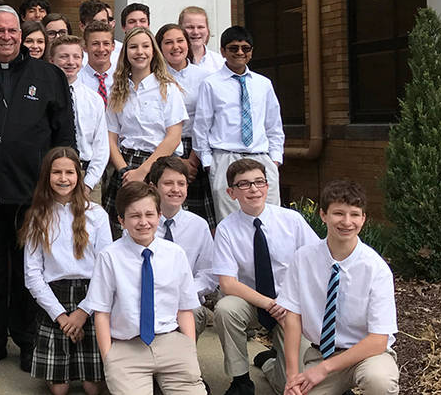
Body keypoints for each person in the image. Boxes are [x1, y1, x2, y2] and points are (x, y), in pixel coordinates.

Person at [0, 5, 76, 371]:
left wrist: (62, 183)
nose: (7, 37)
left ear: (22, 35)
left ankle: (27, 340)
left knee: (29, 272)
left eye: (13, 31)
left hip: (32, 193)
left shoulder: (49, 75)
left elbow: (64, 134)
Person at [86, 182, 206, 395]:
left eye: (149, 214)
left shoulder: (175, 254)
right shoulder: (109, 257)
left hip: (170, 341)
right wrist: (109, 358)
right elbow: (101, 313)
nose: (143, 222)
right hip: (126, 345)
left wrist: (189, 350)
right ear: (121, 220)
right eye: (134, 216)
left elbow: (185, 309)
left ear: (159, 216)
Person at [280, 180, 399, 395]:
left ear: (363, 219)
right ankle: (272, 367)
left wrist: (324, 370)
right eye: (338, 213)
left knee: (379, 381)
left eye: (354, 214)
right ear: (323, 215)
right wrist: (292, 376)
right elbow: (292, 318)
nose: (347, 222)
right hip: (321, 354)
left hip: (368, 356)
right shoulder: (303, 259)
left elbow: (379, 340)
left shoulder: (376, 269)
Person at [212, 159, 317, 395]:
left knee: (293, 385)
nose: (253, 189)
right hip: (253, 303)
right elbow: (227, 283)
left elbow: (316, 265)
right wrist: (269, 303)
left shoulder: (292, 221)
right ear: (231, 193)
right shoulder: (226, 229)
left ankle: (270, 363)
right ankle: (240, 381)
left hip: (290, 307)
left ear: (268, 186)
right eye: (244, 184)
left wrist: (291, 303)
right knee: (226, 308)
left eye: (259, 182)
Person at [20, 147, 112, 395]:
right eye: (56, 172)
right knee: (59, 390)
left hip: (91, 298)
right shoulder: (38, 216)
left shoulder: (97, 215)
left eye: (69, 172)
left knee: (93, 388)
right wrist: (61, 316)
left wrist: (83, 312)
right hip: (54, 298)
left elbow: (107, 270)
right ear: (46, 177)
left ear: (79, 176)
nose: (63, 178)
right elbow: (32, 274)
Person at [192, 26, 285, 220]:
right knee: (231, 222)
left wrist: (274, 160)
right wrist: (210, 164)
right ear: (223, 51)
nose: (240, 53)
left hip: (261, 158)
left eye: (246, 48)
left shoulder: (263, 84)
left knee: (270, 220)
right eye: (234, 48)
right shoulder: (211, 84)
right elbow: (201, 127)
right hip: (226, 158)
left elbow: (274, 126)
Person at [104, 27, 186, 237]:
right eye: (133, 47)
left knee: (155, 227)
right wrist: (125, 171)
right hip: (126, 166)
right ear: (126, 53)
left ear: (153, 51)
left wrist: (142, 172)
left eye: (145, 46)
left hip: (160, 165)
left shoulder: (167, 88)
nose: (139, 52)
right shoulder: (117, 90)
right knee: (121, 229)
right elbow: (111, 137)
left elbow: (173, 137)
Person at [145, 156, 216, 335]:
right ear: (153, 187)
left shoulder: (199, 226)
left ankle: (185, 358)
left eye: (181, 184)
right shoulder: (140, 223)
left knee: (194, 313)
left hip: (185, 299)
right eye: (168, 183)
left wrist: (182, 291)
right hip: (147, 297)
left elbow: (208, 273)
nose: (176, 189)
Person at [156, 23, 213, 224]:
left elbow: (206, 121)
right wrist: (174, 159)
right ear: (160, 47)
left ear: (187, 44)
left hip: (197, 148)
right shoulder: (154, 78)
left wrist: (192, 161)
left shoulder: (205, 78)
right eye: (168, 42)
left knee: (198, 217)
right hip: (164, 147)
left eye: (180, 41)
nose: (175, 47)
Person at [48, 35, 108, 192]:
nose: (70, 62)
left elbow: (101, 145)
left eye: (76, 57)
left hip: (86, 173)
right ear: (51, 60)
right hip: (52, 174)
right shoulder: (44, 97)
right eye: (63, 57)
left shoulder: (94, 99)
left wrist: (89, 183)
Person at [77, 21, 115, 107]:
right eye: (95, 44)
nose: (101, 49)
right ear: (85, 47)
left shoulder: (123, 79)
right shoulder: (77, 80)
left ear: (113, 46)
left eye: (106, 44)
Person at [178, 6, 225, 73]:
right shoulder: (170, 63)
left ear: (207, 30)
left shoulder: (220, 62)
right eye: (190, 27)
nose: (195, 32)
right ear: (179, 30)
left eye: (200, 27)